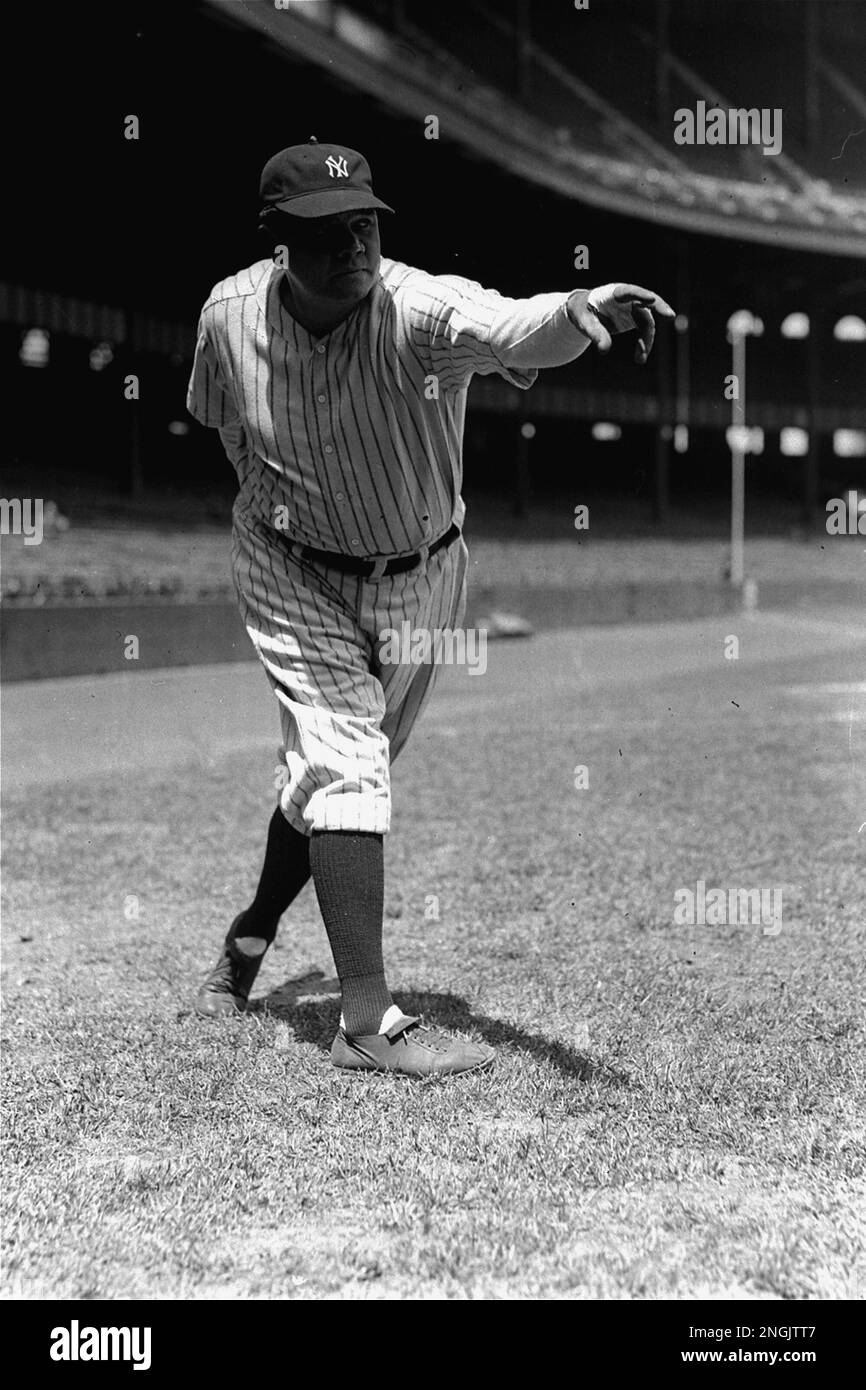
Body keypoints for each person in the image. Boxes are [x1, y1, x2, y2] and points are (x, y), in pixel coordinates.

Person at [186, 138, 674, 1077]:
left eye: (365, 223)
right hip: (290, 568)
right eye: (326, 232)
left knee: (330, 782)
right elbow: (224, 424)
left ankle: (248, 940)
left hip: (424, 574)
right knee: (347, 768)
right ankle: (366, 1020)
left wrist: (580, 309)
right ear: (277, 242)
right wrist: (277, 504)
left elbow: (510, 326)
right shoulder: (227, 313)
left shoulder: (417, 309)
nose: (354, 245)